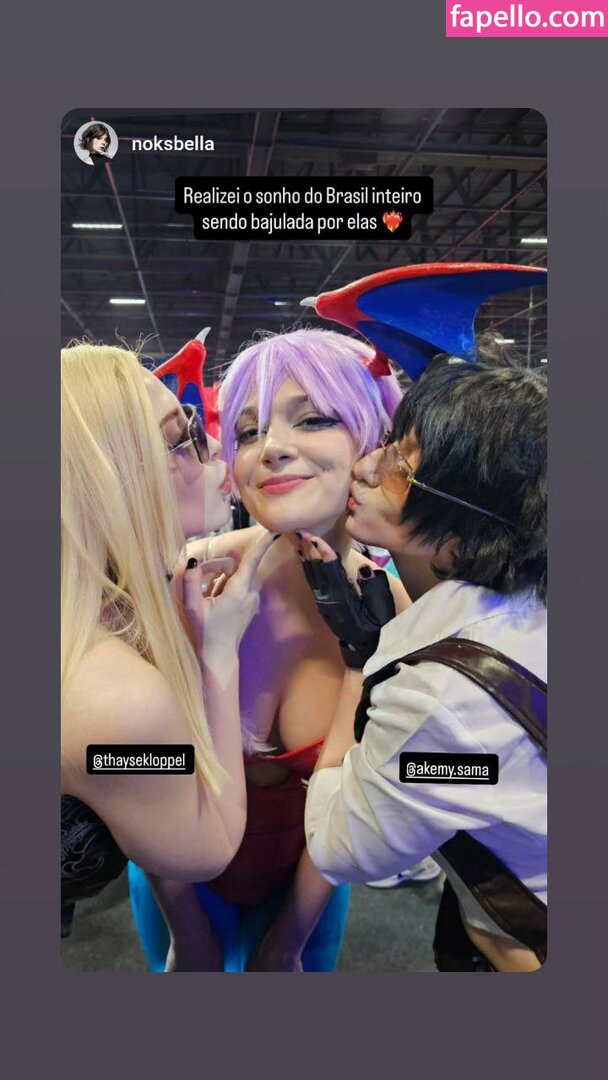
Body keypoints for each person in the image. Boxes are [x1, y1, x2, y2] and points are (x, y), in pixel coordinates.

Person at [128, 327, 409, 971]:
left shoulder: (393, 611)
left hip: (311, 887)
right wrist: (188, 933)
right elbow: (132, 770)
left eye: (313, 419)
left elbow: (365, 792)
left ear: (373, 440)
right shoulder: (191, 578)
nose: (271, 448)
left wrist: (290, 937)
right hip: (177, 884)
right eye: (249, 432)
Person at [302, 356, 547, 972]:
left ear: (463, 536)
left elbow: (340, 845)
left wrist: (357, 667)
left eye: (400, 469)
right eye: (387, 442)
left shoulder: (444, 702)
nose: (365, 466)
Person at [61, 343, 275, 939]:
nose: (218, 454)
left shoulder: (87, 592)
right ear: (112, 478)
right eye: (183, 440)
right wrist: (219, 652)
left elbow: (165, 563)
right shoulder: (117, 702)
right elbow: (210, 844)